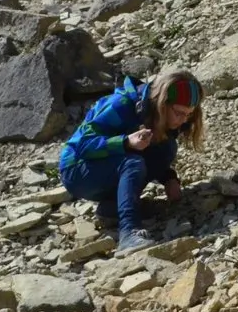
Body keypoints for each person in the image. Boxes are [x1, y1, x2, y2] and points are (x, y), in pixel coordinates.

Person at [59, 66, 204, 252]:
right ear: (162, 103)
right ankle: (129, 232)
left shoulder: (159, 115)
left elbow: (153, 151)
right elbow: (82, 145)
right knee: (132, 163)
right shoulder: (123, 105)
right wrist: (125, 142)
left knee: (167, 148)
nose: (183, 120)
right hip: (76, 169)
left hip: (104, 166)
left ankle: (112, 209)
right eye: (179, 113)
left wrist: (168, 178)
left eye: (189, 114)